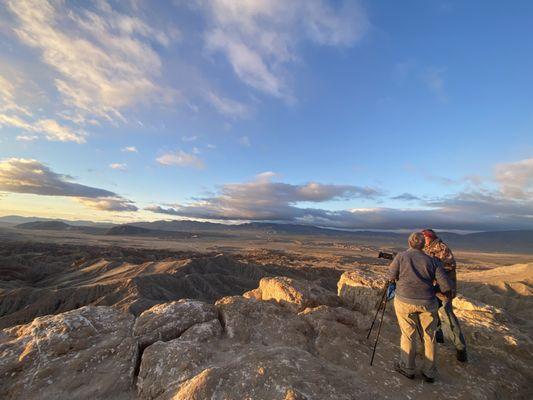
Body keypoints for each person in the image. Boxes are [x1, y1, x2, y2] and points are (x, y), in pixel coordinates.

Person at [388, 232, 452, 382]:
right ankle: (429, 372)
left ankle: (407, 368)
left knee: (408, 334)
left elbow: (391, 277)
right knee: (429, 336)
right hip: (428, 303)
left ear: (409, 243)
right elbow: (446, 286)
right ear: (424, 245)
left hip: (404, 301)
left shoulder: (401, 256)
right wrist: (430, 290)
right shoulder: (432, 261)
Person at [422, 229, 468, 362]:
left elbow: (448, 266)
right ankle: (439, 338)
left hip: (444, 289)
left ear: (430, 237)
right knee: (434, 313)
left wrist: (431, 268)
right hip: (433, 288)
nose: (423, 239)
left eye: (425, 237)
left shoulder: (441, 248)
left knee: (447, 315)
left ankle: (460, 348)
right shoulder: (427, 248)